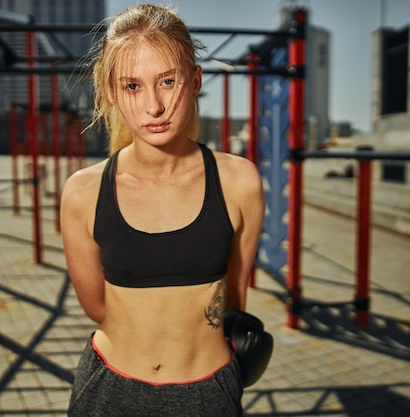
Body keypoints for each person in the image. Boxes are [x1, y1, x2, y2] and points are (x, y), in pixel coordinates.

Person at [60, 4, 265, 416]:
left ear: (194, 82)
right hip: (109, 390)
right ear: (113, 93)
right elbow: (97, 307)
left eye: (167, 81)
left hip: (209, 392)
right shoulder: (83, 192)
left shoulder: (239, 181)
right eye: (133, 86)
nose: (154, 106)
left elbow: (234, 296)